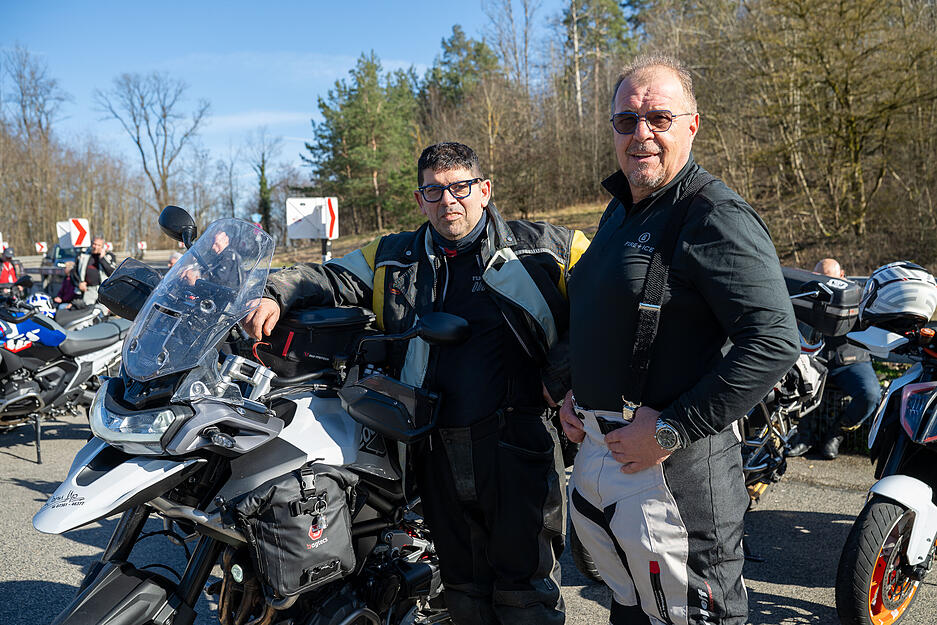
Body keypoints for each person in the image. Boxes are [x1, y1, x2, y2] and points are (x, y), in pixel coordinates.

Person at [244, 141, 589, 625]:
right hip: (433, 452)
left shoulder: (543, 249)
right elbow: (326, 276)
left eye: (461, 187)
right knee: (463, 589)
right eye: (435, 190)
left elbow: (614, 297)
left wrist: (564, 373)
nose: (449, 200)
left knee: (524, 594)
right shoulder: (393, 255)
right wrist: (277, 292)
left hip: (518, 445)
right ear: (420, 199)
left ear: (484, 190)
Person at [557, 55, 800, 625]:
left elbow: (772, 340)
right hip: (609, 461)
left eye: (659, 118)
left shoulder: (713, 214)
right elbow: (604, 315)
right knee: (633, 611)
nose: (641, 133)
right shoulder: (621, 209)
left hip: (678, 475)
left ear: (692, 125)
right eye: (626, 121)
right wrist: (577, 391)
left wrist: (672, 428)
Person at [786, 258, 880, 460]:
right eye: (818, 278)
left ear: (842, 275)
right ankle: (803, 436)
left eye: (829, 279)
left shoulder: (859, 294)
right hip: (814, 358)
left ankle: (837, 434)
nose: (824, 284)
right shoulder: (807, 291)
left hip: (851, 358)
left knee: (870, 394)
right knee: (795, 382)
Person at [72, 236, 115, 306]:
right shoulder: (83, 255)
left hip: (103, 290)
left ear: (102, 246)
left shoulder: (109, 256)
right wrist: (79, 283)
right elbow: (74, 272)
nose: (96, 247)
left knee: (102, 313)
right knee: (87, 311)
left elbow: (112, 272)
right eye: (94, 244)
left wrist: (102, 258)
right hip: (88, 290)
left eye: (99, 245)